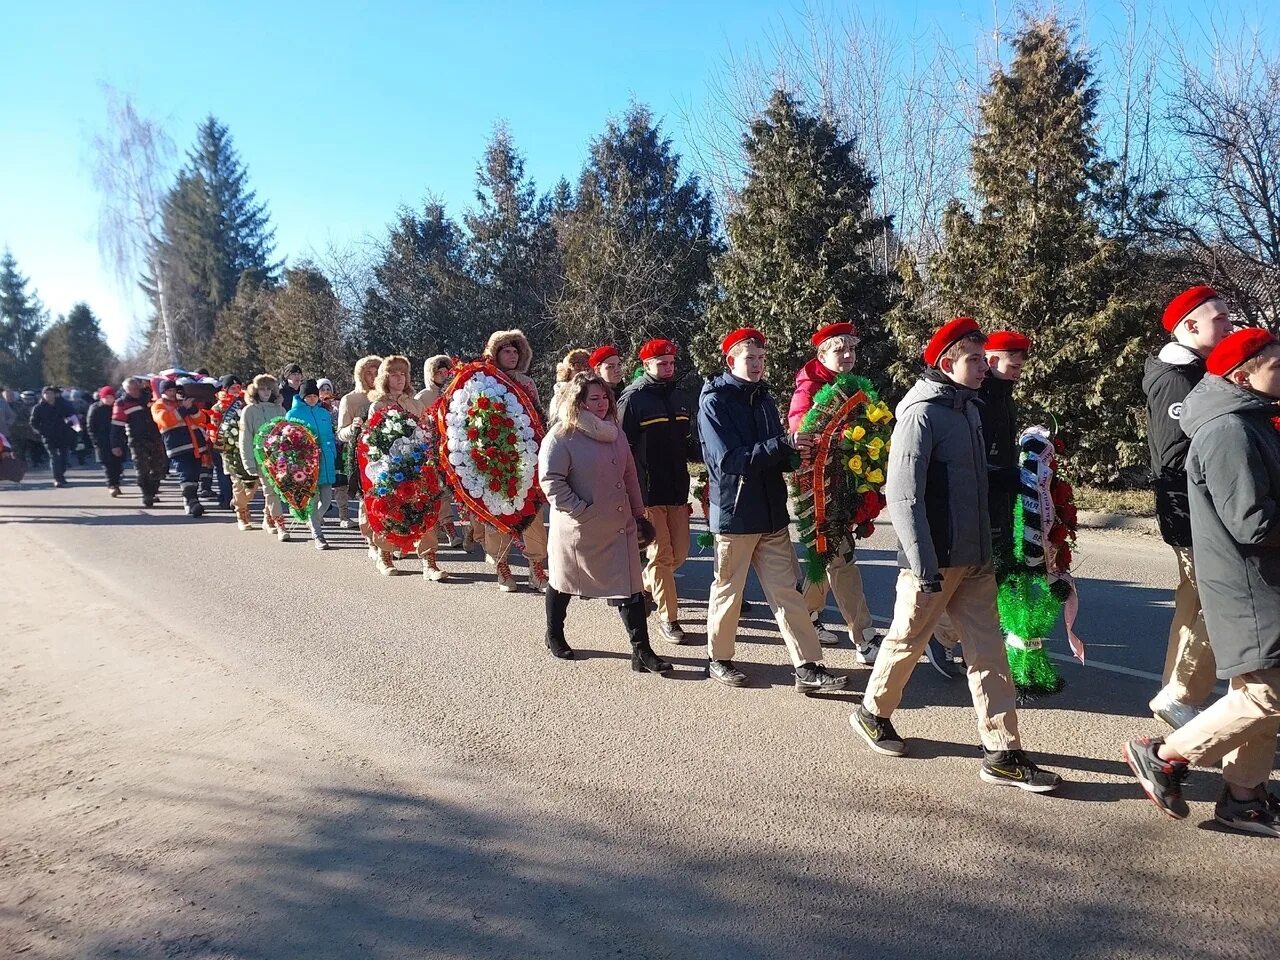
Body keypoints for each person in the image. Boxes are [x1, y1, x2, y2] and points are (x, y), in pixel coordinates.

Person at [848, 317, 1061, 792]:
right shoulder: (921, 414)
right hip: (935, 559)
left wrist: (1016, 483)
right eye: (973, 359)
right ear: (947, 363)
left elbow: (975, 477)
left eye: (984, 358)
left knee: (988, 654)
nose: (984, 367)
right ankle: (871, 713)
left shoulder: (968, 409)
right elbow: (902, 496)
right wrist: (923, 565)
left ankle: (1002, 751)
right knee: (907, 640)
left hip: (975, 556)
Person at [1124, 328, 1280, 836]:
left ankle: (1243, 796)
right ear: (1243, 374)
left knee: (1261, 692)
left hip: (1263, 580)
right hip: (1249, 585)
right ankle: (1164, 755)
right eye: (1275, 364)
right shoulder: (1228, 429)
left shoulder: (1251, 420)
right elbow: (1252, 521)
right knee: (1265, 696)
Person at [698, 328, 846, 693]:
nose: (758, 365)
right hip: (735, 514)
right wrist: (783, 444)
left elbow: (772, 454)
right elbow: (729, 460)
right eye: (750, 359)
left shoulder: (763, 398)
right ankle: (719, 658)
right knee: (728, 591)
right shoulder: (714, 402)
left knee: (787, 593)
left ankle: (808, 667)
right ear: (731, 361)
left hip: (771, 514)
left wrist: (797, 454)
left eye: (761, 359)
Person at [1142, 285, 1233, 730]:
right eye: (1221, 320)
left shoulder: (1197, 371)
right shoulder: (1178, 378)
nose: (1230, 325)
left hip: (1197, 509)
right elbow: (1174, 456)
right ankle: (1180, 695)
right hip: (1193, 510)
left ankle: (1174, 694)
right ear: (1190, 326)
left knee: (1193, 604)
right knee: (1219, 603)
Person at [540, 373, 671, 674]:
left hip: (618, 525)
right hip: (578, 528)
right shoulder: (562, 435)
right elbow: (551, 482)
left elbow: (629, 476)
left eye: (604, 398)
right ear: (578, 401)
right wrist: (582, 511)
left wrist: (639, 515)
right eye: (593, 399)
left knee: (630, 588)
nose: (600, 404)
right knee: (563, 584)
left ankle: (642, 652)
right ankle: (554, 633)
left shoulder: (616, 432)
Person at [927, 328, 1034, 680]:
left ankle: (984, 647)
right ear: (989, 360)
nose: (1017, 369)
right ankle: (941, 636)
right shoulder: (977, 398)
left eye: (1020, 365)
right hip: (979, 499)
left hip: (998, 494)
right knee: (972, 581)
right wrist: (1007, 477)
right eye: (1011, 363)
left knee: (994, 576)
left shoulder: (1001, 395)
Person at [787, 322, 881, 662]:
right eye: (839, 350)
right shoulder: (809, 388)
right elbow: (801, 430)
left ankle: (808, 616)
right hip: (819, 486)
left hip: (848, 482)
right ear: (822, 354)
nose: (847, 355)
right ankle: (865, 638)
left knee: (826, 556)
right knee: (841, 560)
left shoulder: (852, 386)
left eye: (851, 350)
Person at [618, 337, 699, 644]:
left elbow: (687, 441)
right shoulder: (633, 399)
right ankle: (669, 618)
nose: (668, 368)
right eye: (661, 363)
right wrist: (629, 493)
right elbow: (622, 449)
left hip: (678, 489)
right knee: (662, 556)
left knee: (679, 554)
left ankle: (645, 587)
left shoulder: (680, 396)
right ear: (646, 365)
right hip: (648, 491)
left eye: (671, 363)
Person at [479, 329, 550, 592]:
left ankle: (536, 568)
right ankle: (501, 565)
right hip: (494, 458)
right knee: (496, 510)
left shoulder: (527, 383)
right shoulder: (483, 381)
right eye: (505, 350)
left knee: (531, 512)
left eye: (515, 350)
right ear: (494, 353)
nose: (511, 355)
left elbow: (537, 418)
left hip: (525, 456)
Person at [366, 355, 432, 576]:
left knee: (425, 508)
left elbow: (426, 433)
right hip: (389, 469)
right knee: (387, 510)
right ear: (385, 378)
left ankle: (429, 560)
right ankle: (385, 556)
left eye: (403, 374)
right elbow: (371, 438)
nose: (400, 378)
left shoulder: (415, 403)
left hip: (417, 467)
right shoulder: (378, 405)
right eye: (394, 374)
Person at [415, 355, 464, 552]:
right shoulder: (423, 397)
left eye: (446, 372)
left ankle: (450, 527)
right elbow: (418, 423)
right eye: (439, 372)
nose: (443, 375)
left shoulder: (455, 392)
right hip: (431, 449)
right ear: (431, 374)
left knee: (451, 489)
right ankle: (449, 528)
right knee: (438, 489)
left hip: (453, 447)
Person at [286, 379, 338, 550]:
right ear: (302, 397)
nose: (312, 399)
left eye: (315, 396)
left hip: (326, 461)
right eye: (308, 396)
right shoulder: (293, 414)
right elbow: (289, 441)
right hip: (306, 464)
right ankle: (318, 535)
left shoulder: (323, 413)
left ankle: (312, 520)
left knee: (327, 500)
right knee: (312, 500)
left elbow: (330, 436)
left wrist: (333, 453)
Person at [337, 355, 382, 535]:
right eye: (368, 373)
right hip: (360, 455)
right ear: (360, 375)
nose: (372, 377)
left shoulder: (386, 397)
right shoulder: (350, 400)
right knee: (366, 497)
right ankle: (370, 537)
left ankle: (387, 537)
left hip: (385, 454)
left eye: (376, 373)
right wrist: (353, 428)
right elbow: (341, 433)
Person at [150, 379, 208, 517]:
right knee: (186, 474)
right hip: (177, 447)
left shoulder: (182, 402)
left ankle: (190, 500)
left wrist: (192, 408)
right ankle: (192, 502)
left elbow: (202, 419)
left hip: (195, 446)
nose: (172, 393)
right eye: (169, 391)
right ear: (163, 392)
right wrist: (183, 409)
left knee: (194, 475)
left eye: (174, 390)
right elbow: (165, 420)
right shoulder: (157, 405)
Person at [239, 374, 288, 538]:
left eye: (269, 388)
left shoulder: (280, 409)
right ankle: (281, 526)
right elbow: (245, 437)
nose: (266, 392)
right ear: (255, 390)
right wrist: (248, 462)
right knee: (270, 491)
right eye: (262, 389)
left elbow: (286, 434)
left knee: (276, 490)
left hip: (279, 458)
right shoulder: (249, 411)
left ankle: (268, 518)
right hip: (261, 458)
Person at [111, 377, 165, 506]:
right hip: (137, 440)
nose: (135, 391)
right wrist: (115, 445)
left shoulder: (150, 397)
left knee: (158, 468)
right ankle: (147, 494)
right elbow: (116, 426)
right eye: (131, 390)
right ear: (126, 390)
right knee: (142, 468)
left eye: (136, 388)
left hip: (155, 437)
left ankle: (152, 491)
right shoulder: (122, 403)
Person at [29, 386, 79, 488]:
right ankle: (57, 479)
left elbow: (72, 417)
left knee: (64, 457)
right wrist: (41, 432)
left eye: (50, 393)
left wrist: (73, 427)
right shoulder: (38, 408)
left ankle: (61, 474)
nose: (48, 395)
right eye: (46, 393)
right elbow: (33, 423)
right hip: (48, 437)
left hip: (62, 435)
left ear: (54, 395)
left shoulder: (62, 405)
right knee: (54, 457)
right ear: (43, 395)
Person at [86, 385, 122, 496]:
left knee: (117, 465)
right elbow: (90, 426)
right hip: (102, 441)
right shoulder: (95, 408)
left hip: (117, 440)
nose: (109, 399)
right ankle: (111, 485)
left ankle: (116, 483)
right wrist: (95, 441)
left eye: (111, 397)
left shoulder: (117, 407)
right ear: (102, 397)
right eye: (107, 397)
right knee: (107, 465)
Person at [548, 348, 592, 424]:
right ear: (568, 372)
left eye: (586, 367)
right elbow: (555, 422)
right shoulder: (560, 395)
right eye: (577, 367)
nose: (583, 371)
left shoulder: (596, 391)